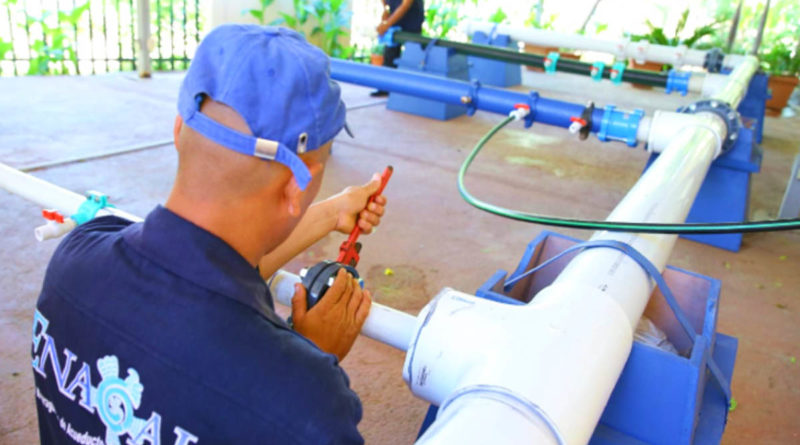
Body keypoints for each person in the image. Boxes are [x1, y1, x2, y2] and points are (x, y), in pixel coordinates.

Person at [31, 24, 387, 445]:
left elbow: (201, 269)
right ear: (298, 184)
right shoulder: (305, 403)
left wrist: (330, 214)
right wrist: (310, 356)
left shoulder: (75, 259)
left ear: (180, 129)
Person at [371, 0, 425, 97]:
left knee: (412, 55)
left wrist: (387, 24)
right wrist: (385, 10)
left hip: (412, 20)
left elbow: (406, 4)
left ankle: (410, 91)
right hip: (395, 19)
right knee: (390, 54)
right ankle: (385, 88)